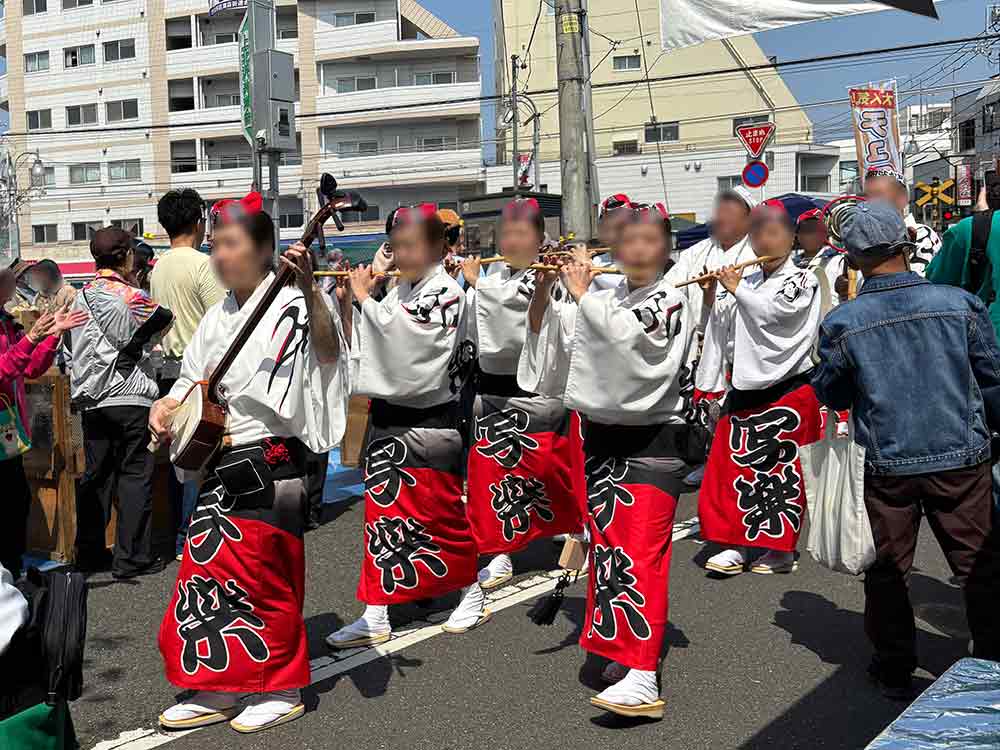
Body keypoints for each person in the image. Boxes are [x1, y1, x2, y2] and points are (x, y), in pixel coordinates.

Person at [149, 191, 349, 733]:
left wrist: (309, 288)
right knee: (205, 575)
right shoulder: (218, 315)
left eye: (231, 245)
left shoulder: (293, 303)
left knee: (267, 575)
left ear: (265, 251)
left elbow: (329, 356)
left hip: (273, 458)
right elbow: (195, 380)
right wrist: (166, 405)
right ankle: (221, 684)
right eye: (215, 245)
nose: (219, 255)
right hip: (221, 460)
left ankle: (283, 684)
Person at [812, 200, 1000, 698]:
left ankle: (895, 668)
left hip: (887, 462)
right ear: (906, 244)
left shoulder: (845, 321)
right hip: (961, 455)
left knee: (890, 568)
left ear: (852, 260)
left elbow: (831, 394)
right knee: (978, 562)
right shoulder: (959, 303)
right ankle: (991, 659)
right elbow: (992, 380)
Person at [519, 203, 694, 720]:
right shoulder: (611, 293)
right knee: (613, 554)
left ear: (666, 248)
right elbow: (566, 344)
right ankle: (622, 654)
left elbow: (629, 344)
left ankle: (644, 674)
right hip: (604, 446)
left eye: (648, 240)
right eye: (628, 240)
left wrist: (580, 294)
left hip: (650, 447)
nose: (636, 249)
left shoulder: (672, 298)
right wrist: (550, 291)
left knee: (640, 555)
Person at [326, 203, 489, 650]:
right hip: (389, 422)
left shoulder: (446, 293)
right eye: (396, 245)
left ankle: (469, 588)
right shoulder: (400, 293)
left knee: (437, 515)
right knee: (381, 521)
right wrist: (354, 301)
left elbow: (409, 341)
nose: (402, 253)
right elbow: (368, 341)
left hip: (429, 424)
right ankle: (375, 611)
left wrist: (364, 299)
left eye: (412, 244)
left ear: (438, 246)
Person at [461, 197, 585, 590]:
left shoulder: (543, 274)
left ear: (538, 237)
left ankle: (575, 529)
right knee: (489, 476)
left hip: (536, 392)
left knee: (546, 470)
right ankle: (498, 552)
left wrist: (477, 285)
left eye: (520, 233)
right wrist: (472, 285)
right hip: (493, 392)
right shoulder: (493, 274)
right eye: (506, 232)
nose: (511, 240)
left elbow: (517, 308)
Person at [696, 200, 824, 576]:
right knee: (729, 469)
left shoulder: (804, 279)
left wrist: (737, 291)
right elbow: (721, 328)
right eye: (757, 232)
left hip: (786, 390)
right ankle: (734, 543)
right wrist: (712, 294)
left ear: (791, 237)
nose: (764, 239)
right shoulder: (745, 279)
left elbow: (776, 317)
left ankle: (780, 550)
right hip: (744, 389)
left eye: (773, 231)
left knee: (779, 472)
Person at [67, 228, 174, 579]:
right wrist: (134, 346)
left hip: (93, 399)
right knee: (134, 475)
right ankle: (131, 557)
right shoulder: (129, 295)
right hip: (129, 394)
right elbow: (164, 317)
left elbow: (69, 347)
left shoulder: (78, 297)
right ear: (126, 255)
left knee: (96, 477)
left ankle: (89, 553)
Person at [149, 188, 227, 561]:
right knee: (204, 454)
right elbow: (223, 319)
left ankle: (181, 535)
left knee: (181, 458)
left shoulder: (158, 267)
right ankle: (195, 536)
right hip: (200, 374)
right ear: (198, 222)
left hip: (166, 373)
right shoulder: (203, 265)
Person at [666, 186, 756, 487]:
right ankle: (712, 462)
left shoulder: (756, 251)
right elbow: (669, 289)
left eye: (733, 212)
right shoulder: (696, 252)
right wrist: (705, 295)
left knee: (739, 410)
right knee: (708, 408)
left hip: (742, 343)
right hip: (703, 339)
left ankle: (738, 466)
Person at [0, 271, 87, 579]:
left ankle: (12, 576)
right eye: (7, 277)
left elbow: (30, 367)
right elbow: (3, 369)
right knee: (10, 506)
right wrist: (32, 337)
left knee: (16, 504)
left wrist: (52, 336)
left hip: (8, 434)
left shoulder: (7, 320)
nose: (14, 281)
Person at [863, 166, 941, 276]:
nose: (870, 201)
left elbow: (915, 282)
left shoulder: (922, 234)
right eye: (867, 196)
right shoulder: (866, 235)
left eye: (878, 194)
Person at [794, 208, 847, 303]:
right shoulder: (792, 265)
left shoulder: (839, 261)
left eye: (816, 230)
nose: (810, 235)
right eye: (805, 230)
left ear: (825, 234)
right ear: (797, 235)